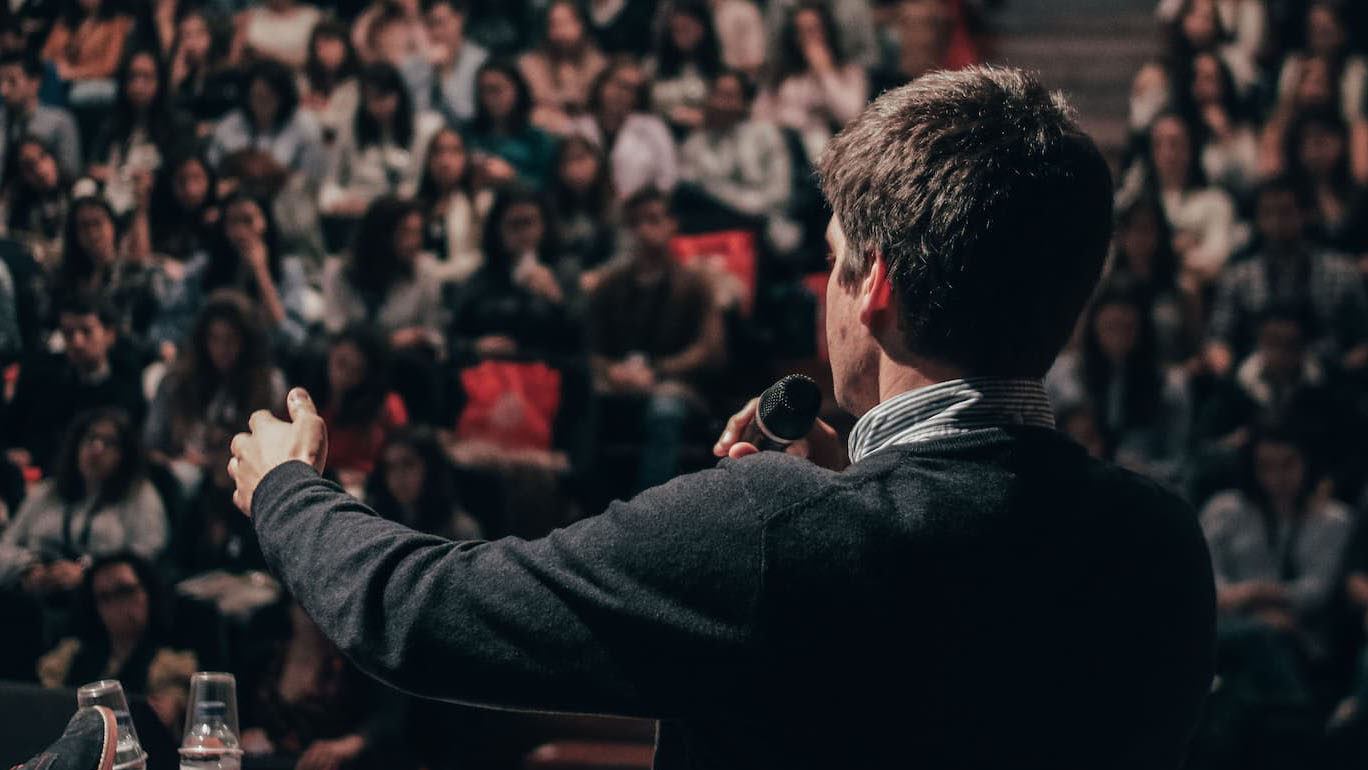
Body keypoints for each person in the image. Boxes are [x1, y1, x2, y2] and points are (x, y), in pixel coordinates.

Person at [227, 67, 1217, 769]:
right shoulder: (1161, 542)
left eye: (832, 258)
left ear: (872, 286)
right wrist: (849, 491)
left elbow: (419, 615)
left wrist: (287, 487)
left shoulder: (771, 530)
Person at [586, 188, 725, 490]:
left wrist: (657, 370)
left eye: (653, 219)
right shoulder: (611, 285)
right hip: (619, 380)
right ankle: (585, 504)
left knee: (665, 410)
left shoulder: (693, 283)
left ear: (672, 223)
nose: (645, 230)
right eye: (636, 222)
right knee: (584, 400)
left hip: (676, 384)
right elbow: (590, 348)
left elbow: (709, 349)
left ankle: (649, 512)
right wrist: (611, 371)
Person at [1205, 176, 1368, 375]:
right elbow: (1219, 338)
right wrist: (1227, 374)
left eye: (1285, 212)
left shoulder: (1341, 272)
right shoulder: (1239, 277)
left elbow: (1363, 338)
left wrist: (1343, 371)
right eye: (1268, 213)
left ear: (1305, 214)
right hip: (1256, 379)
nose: (1276, 222)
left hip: (1329, 380)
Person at [0, 408, 167, 593]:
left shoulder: (140, 496)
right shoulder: (48, 491)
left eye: (109, 443)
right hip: (36, 596)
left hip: (101, 599)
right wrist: (26, 569)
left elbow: (146, 557)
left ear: (125, 454)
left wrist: (88, 574)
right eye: (90, 439)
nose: (96, 449)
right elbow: (6, 545)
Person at [37, 553, 196, 733]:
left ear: (148, 593)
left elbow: (170, 711)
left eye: (124, 591)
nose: (115, 605)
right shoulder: (70, 655)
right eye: (105, 597)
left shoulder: (172, 663)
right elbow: (46, 708)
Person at [2, 294, 146, 475]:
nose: (77, 342)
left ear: (109, 334)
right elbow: (11, 428)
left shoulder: (126, 383)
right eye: (68, 333)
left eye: (87, 331)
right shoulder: (42, 376)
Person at [318, 61, 444, 215]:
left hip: (394, 213)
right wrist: (339, 201)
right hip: (352, 208)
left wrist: (372, 208)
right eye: (370, 98)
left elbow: (410, 187)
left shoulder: (418, 132)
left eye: (382, 97)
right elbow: (332, 180)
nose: (377, 105)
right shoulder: (350, 130)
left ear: (398, 95)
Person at [208, 58, 328, 186]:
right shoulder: (230, 123)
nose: (262, 104)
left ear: (283, 97)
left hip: (288, 197)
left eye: (268, 97)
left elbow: (314, 175)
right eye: (257, 97)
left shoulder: (304, 125)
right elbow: (213, 168)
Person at [572, 59, 679, 201]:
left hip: (639, 211)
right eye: (620, 85)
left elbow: (668, 177)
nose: (624, 94)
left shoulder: (653, 128)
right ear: (601, 84)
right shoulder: (577, 127)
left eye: (633, 90)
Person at [517, 0, 607, 135]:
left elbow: (595, 104)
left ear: (582, 24)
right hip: (544, 133)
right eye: (554, 25)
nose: (561, 32)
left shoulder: (599, 63)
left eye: (567, 23)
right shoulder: (529, 63)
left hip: (588, 133)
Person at [0, 50, 81, 180]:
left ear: (34, 82)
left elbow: (71, 175)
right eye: (1, 82)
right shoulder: (2, 121)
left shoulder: (60, 122)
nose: (3, 90)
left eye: (12, 82)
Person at [414, 0, 488, 126]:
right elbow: (415, 113)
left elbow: (466, 115)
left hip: (466, 138)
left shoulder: (479, 61)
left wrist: (444, 72)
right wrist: (429, 71)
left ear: (460, 19)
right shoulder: (415, 64)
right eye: (429, 25)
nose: (436, 32)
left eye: (440, 23)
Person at [231, 0, 322, 70]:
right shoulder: (247, 18)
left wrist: (264, 54)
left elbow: (315, 61)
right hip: (255, 82)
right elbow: (234, 61)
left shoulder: (312, 18)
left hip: (299, 84)